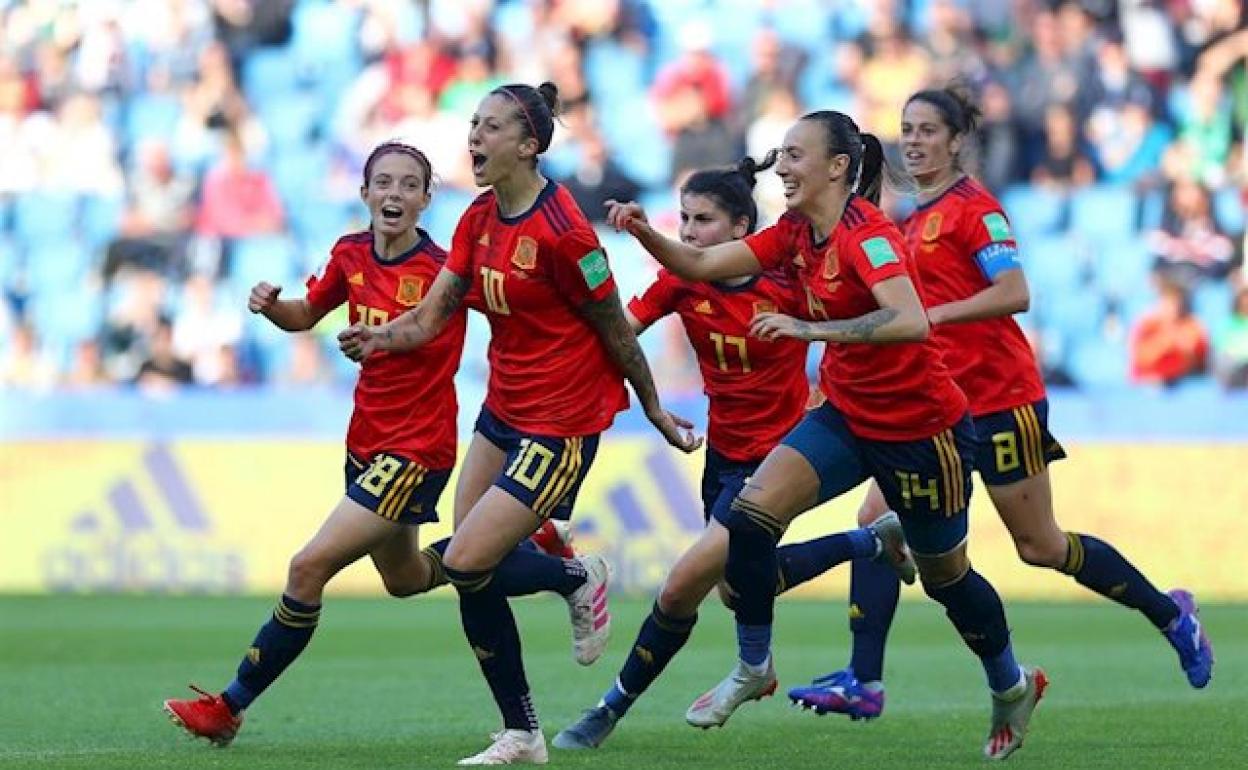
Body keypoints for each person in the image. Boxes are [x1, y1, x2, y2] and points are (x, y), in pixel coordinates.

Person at [599, 108, 1046, 760]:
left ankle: (1010, 685)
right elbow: (697, 264)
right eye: (780, 154)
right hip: (844, 415)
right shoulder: (793, 233)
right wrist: (642, 232)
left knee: (947, 579)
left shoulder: (868, 237)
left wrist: (811, 333)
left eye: (794, 154)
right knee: (749, 517)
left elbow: (911, 321)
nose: (781, 166)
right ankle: (754, 667)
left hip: (922, 430)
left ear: (838, 166)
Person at [787, 86, 1214, 724]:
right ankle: (863, 679)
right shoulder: (899, 220)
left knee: (1039, 546)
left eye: (929, 129)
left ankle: (1169, 611)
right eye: (907, 128)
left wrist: (933, 316)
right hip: (929, 413)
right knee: (879, 523)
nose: (914, 139)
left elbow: (1015, 292)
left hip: (998, 399)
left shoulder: (976, 210)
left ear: (958, 140)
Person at [161, 140, 599, 748]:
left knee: (308, 566)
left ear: (425, 198)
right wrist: (272, 308)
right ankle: (557, 568)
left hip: (417, 450)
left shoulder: (447, 271)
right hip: (366, 441)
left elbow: (514, 307)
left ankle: (229, 707)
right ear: (365, 193)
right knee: (408, 579)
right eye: (382, 183)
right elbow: (306, 312)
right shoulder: (349, 253)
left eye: (408, 184)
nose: (394, 193)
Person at [337, 82, 700, 766]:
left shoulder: (564, 234)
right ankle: (523, 734)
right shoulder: (476, 218)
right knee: (468, 570)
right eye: (473, 124)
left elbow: (614, 328)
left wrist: (651, 406)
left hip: (563, 420)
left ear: (528, 145)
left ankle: (577, 577)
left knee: (469, 559)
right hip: (503, 410)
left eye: (492, 127)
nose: (474, 137)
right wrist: (380, 338)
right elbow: (434, 312)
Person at [551, 160, 917, 751]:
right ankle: (872, 542)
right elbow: (620, 334)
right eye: (686, 220)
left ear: (741, 226)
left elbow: (853, 316)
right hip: (722, 455)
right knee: (741, 588)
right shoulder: (680, 281)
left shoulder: (783, 279)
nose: (690, 232)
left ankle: (606, 711)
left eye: (704, 221)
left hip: (779, 454)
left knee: (680, 586)